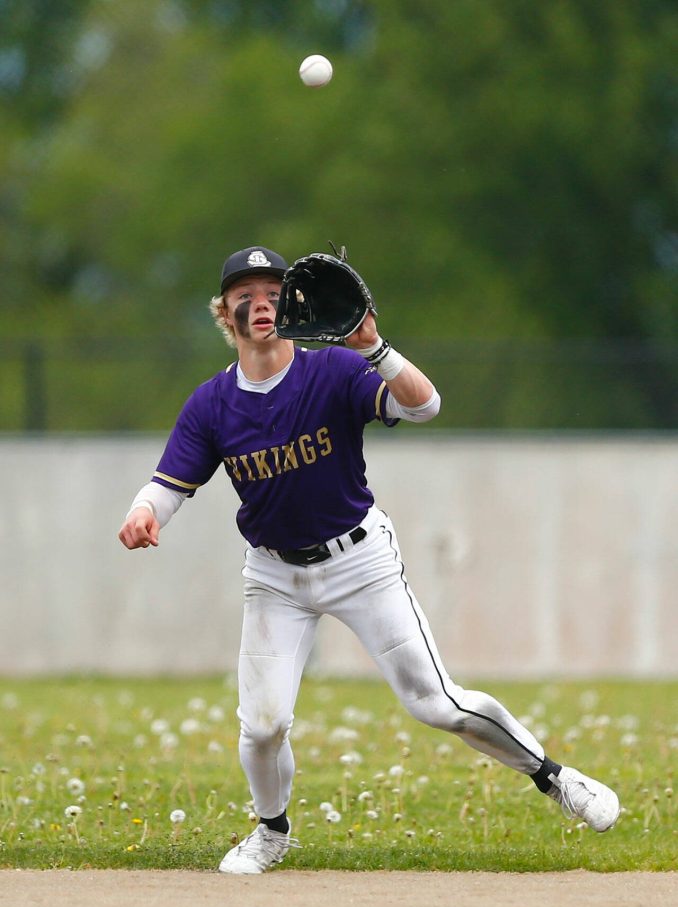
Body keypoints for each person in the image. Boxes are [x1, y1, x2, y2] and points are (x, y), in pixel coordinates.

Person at [119, 244, 621, 874]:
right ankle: (272, 832)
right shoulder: (212, 404)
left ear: (294, 304)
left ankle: (554, 778)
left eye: (273, 292)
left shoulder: (332, 371)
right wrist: (144, 512)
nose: (261, 304)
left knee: (435, 703)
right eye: (244, 294)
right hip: (274, 574)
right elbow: (169, 485)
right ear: (225, 312)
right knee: (263, 725)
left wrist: (373, 347)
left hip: (360, 561)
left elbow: (423, 405)